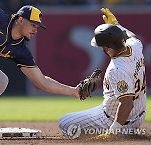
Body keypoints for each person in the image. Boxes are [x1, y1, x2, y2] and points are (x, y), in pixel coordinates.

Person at [0, 3, 80, 137]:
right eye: (33, 24)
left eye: (37, 26)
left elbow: (41, 81)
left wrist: (73, 91)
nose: (36, 30)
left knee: (0, 81)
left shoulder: (20, 50)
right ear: (21, 20)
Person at [59, 8, 147, 138]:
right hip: (139, 115)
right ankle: (125, 129)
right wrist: (117, 26)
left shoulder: (116, 69)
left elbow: (127, 104)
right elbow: (132, 36)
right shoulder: (135, 45)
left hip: (118, 119)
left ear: (108, 48)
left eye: (102, 47)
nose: (102, 50)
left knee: (64, 122)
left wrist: (113, 133)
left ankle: (117, 132)